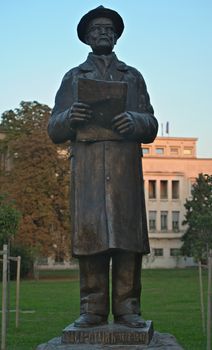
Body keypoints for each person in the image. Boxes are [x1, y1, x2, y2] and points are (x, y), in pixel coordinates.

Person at [48, 6, 158, 328]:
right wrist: (71, 118)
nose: (103, 33)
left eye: (109, 29)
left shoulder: (132, 76)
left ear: (116, 35)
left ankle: (128, 309)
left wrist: (134, 121)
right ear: (86, 37)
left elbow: (151, 123)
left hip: (124, 168)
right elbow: (54, 128)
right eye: (97, 29)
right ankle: (92, 310)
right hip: (88, 170)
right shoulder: (73, 77)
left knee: (127, 239)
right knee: (91, 237)